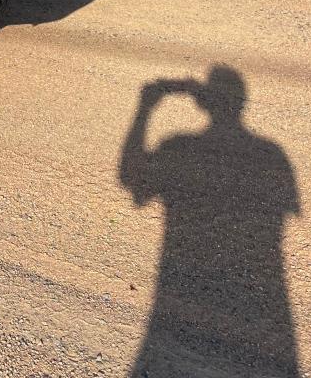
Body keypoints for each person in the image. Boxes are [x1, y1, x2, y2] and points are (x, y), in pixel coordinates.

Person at [118, 65, 300, 377]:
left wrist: (146, 106)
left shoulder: (178, 147)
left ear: (202, 103)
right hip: (262, 298)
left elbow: (132, 181)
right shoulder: (271, 154)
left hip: (182, 295)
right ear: (241, 103)